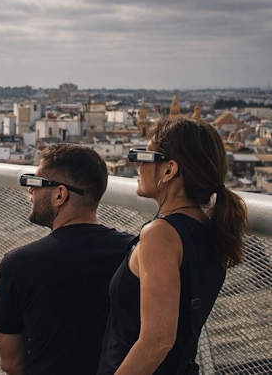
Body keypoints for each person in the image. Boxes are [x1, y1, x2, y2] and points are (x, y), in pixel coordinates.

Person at [97, 115, 248, 374]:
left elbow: (158, 342)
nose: (136, 166)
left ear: (169, 170)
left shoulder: (161, 234)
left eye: (143, 157)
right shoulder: (210, 229)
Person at [0, 143, 133, 375]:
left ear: (59, 195)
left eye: (36, 183)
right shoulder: (133, 252)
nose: (30, 191)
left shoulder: (18, 264)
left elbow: (11, 363)